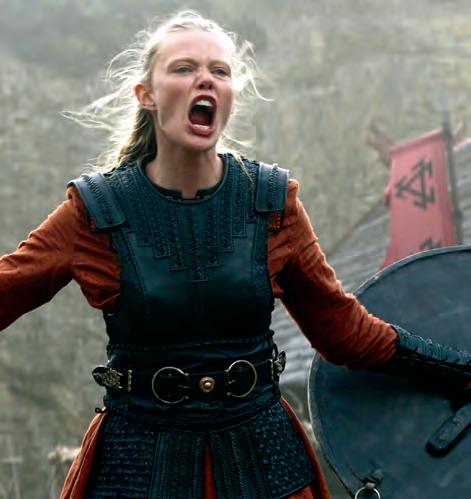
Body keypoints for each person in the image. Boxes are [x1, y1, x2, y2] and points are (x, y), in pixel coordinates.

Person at [1, 10, 470, 499]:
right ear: (146, 95)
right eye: (184, 68)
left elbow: (344, 331)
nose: (205, 78)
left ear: (230, 96)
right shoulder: (95, 212)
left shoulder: (271, 204)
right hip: (136, 467)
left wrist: (459, 369)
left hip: (265, 463)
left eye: (219, 71)